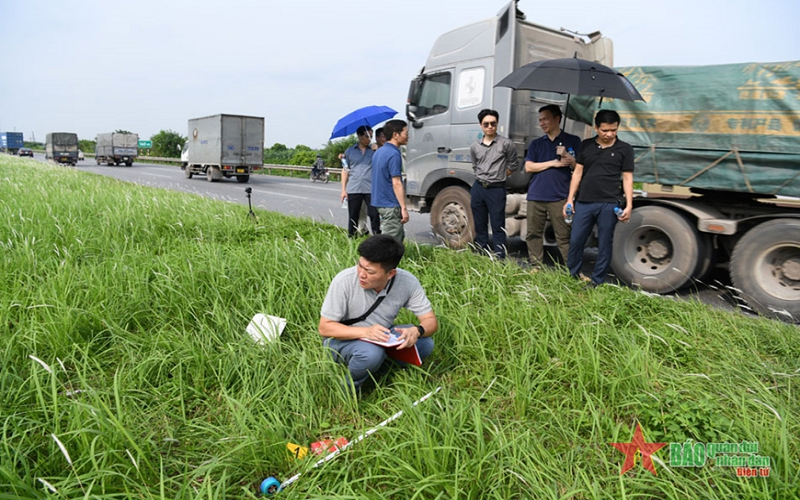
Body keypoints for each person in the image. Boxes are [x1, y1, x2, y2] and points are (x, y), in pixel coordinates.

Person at [319, 235, 438, 392]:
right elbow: (325, 328)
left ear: (390, 274)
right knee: (371, 354)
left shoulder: (407, 282)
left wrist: (417, 330)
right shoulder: (344, 281)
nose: (361, 274)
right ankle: (348, 388)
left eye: (369, 271)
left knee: (425, 344)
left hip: (381, 337)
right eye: (360, 265)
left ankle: (381, 367)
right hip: (342, 340)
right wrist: (365, 332)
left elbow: (430, 321)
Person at [565, 109, 634, 287]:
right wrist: (570, 199)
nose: (609, 134)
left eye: (614, 130)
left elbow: (627, 178)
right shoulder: (586, 145)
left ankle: (597, 281)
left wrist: (629, 205)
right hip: (584, 201)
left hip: (609, 203)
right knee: (576, 240)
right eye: (605, 130)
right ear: (596, 128)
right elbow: (577, 173)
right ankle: (572, 275)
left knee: (604, 244)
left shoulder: (624, 149)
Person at [524, 104, 581, 266]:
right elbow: (529, 167)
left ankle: (573, 269)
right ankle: (536, 266)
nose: (542, 123)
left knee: (564, 236)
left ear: (557, 119)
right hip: (536, 195)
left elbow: (580, 168)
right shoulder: (536, 144)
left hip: (560, 197)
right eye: (540, 120)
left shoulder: (573, 141)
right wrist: (553, 163)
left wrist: (569, 158)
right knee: (533, 233)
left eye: (546, 119)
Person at [469, 109, 519, 258]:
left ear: (497, 124)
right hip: (478, 188)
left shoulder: (506, 144)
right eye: (486, 124)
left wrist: (499, 176)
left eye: (493, 123)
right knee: (480, 224)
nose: (490, 126)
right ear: (481, 125)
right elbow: (475, 165)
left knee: (498, 226)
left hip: (496, 189)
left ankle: (499, 257)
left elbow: (513, 165)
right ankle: (481, 254)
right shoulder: (475, 146)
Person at [371, 119, 410, 243]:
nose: (408, 135)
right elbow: (396, 183)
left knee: (393, 237)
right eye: (405, 132)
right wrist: (403, 208)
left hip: (379, 202)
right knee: (391, 243)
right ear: (395, 135)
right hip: (390, 203)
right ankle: (380, 262)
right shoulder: (393, 154)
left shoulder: (379, 152)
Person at [341, 125, 381, 237]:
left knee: (374, 214)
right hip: (354, 188)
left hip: (371, 188)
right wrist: (343, 190)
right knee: (353, 215)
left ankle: (377, 237)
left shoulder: (375, 150)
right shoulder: (349, 151)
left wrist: (377, 151)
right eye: (366, 136)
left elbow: (382, 165)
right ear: (359, 136)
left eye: (370, 137)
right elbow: (345, 170)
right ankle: (352, 238)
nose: (368, 139)